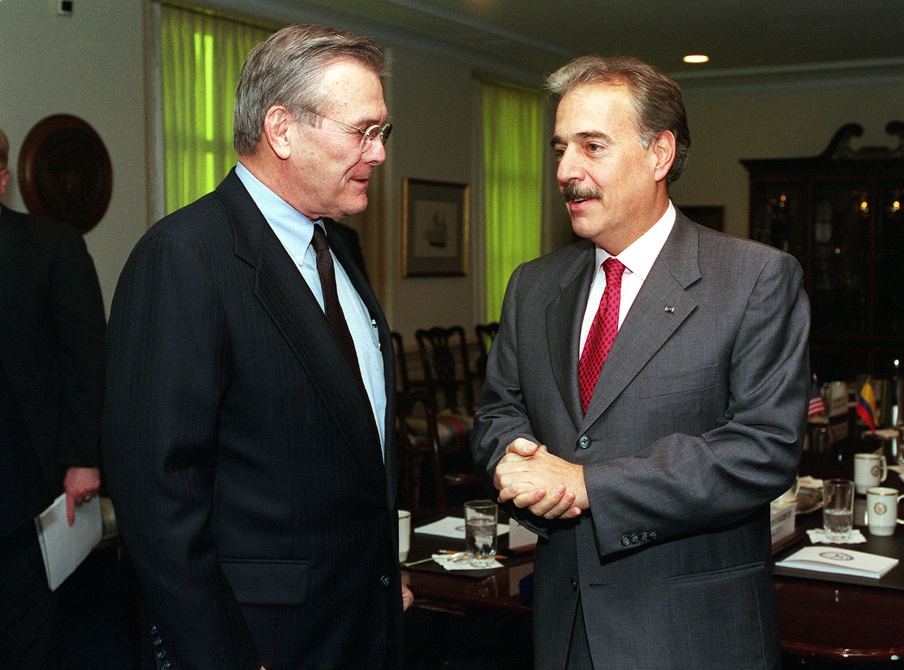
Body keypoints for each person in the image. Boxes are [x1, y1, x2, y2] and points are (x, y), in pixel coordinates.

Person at [470, 56, 811, 669]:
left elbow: (764, 448)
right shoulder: (533, 286)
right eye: (560, 149)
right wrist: (513, 460)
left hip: (692, 635)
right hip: (562, 626)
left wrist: (588, 483)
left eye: (592, 146)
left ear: (660, 154)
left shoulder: (755, 278)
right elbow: (499, 412)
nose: (566, 171)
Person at [103, 24, 411, 670]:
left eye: (381, 132)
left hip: (360, 622)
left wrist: (381, 576)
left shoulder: (341, 249)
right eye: (363, 131)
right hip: (261, 640)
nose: (379, 153)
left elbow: (350, 447)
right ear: (283, 129)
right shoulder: (185, 258)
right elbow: (157, 500)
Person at [0, 126, 106, 668]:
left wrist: (84, 459)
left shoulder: (50, 247)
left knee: (28, 637)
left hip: (26, 486)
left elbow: (87, 360)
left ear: (0, 178)